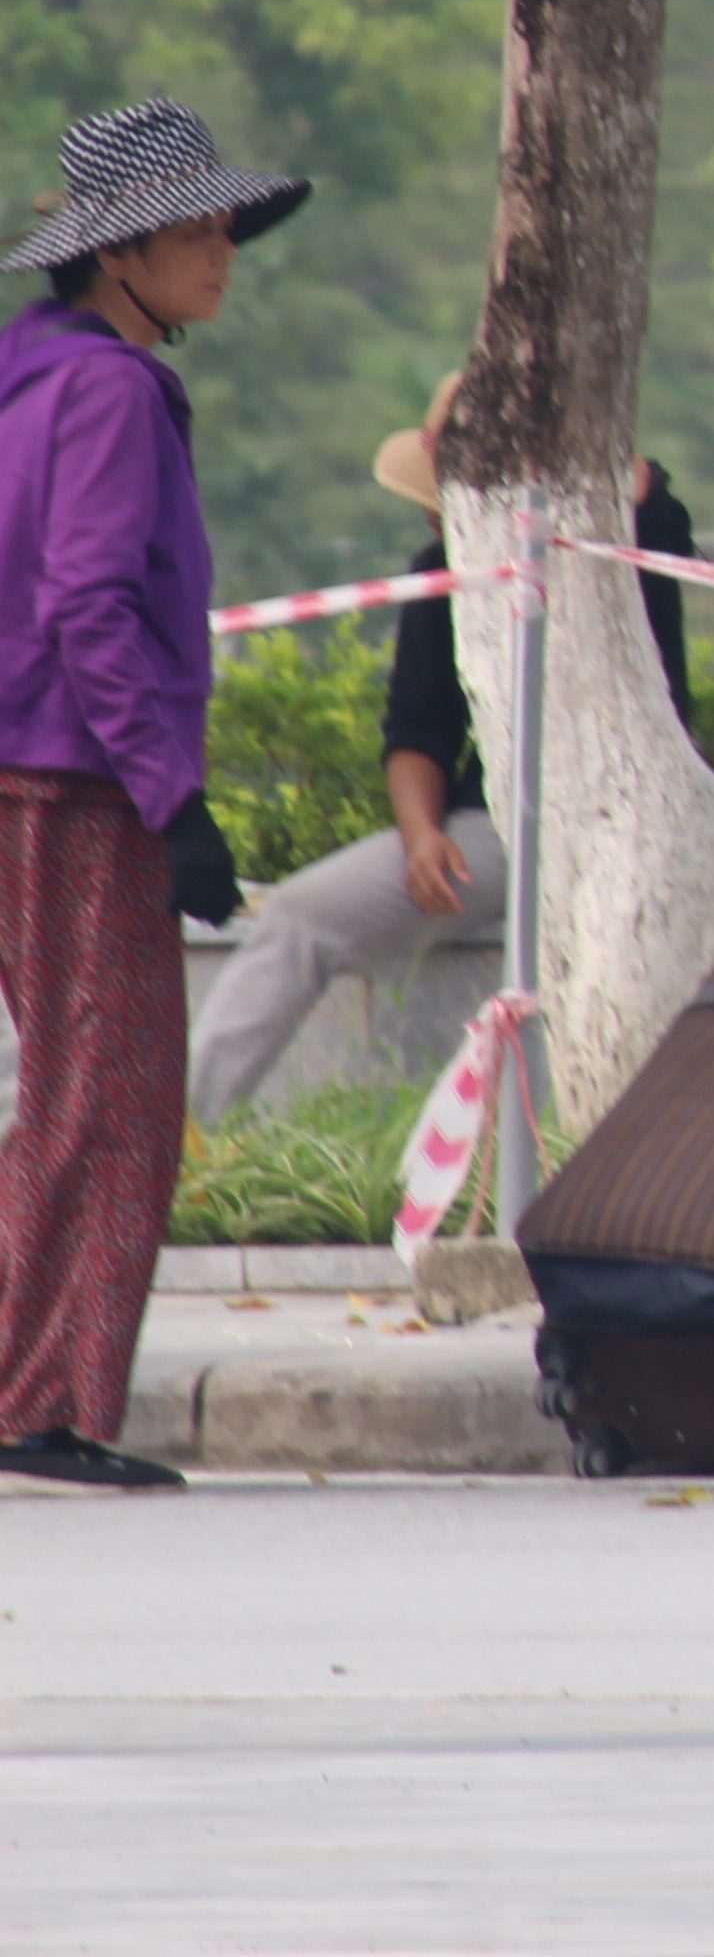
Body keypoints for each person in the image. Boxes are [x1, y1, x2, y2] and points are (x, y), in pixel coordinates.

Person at [0, 99, 311, 1493]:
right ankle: (40, 1400)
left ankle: (34, 1391)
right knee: (108, 1101)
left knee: (69, 1093)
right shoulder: (112, 391)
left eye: (224, 227)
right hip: (75, 785)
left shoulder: (28, 372)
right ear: (116, 257)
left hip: (26, 769)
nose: (223, 255)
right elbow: (89, 605)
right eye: (193, 231)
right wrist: (171, 798)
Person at [180, 385, 700, 1126]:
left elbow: (651, 498)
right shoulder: (442, 571)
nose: (432, 511)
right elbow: (418, 731)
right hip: (495, 827)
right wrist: (423, 834)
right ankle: (177, 1134)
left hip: (620, 819)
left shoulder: (629, 544)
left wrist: (567, 447)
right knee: (298, 914)